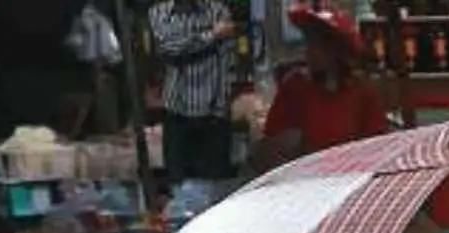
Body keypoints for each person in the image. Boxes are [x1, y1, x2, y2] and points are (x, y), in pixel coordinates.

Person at [258, 7, 386, 169]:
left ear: (336, 50)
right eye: (308, 41)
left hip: (350, 177)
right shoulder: (295, 87)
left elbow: (378, 147)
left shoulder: (362, 93)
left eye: (316, 43)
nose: (308, 51)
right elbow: (272, 146)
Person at [148, 0, 235, 185]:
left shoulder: (217, 10)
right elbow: (169, 48)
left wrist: (221, 109)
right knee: (178, 187)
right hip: (177, 112)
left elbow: (226, 60)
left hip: (213, 114)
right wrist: (211, 35)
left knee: (214, 189)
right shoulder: (160, 13)